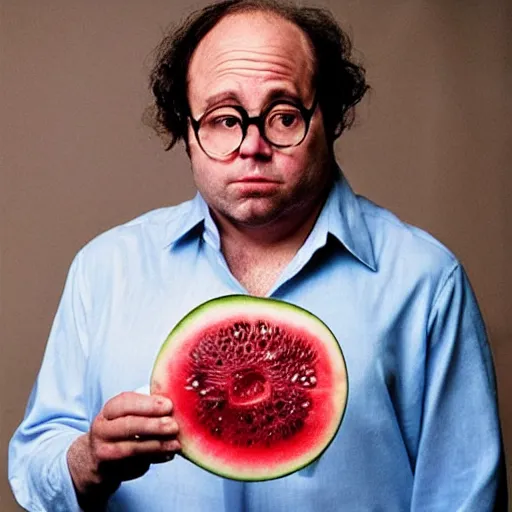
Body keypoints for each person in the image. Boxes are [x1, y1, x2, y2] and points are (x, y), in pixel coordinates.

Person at [8, 0, 507, 510]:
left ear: (330, 118)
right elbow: (34, 460)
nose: (252, 145)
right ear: (185, 129)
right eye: (224, 120)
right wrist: (87, 459)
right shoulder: (105, 269)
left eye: (283, 115)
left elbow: (461, 496)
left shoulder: (425, 281)